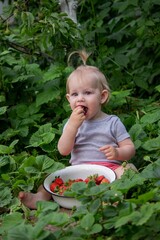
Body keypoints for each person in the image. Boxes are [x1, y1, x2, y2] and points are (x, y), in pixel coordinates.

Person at [18, 50, 136, 209]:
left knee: (128, 169)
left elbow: (130, 148)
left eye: (87, 93)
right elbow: (63, 151)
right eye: (75, 94)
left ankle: (113, 196)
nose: (80, 98)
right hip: (78, 173)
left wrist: (118, 153)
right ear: (69, 99)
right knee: (53, 176)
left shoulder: (112, 122)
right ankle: (40, 198)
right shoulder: (72, 123)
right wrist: (73, 126)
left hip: (109, 170)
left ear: (102, 97)